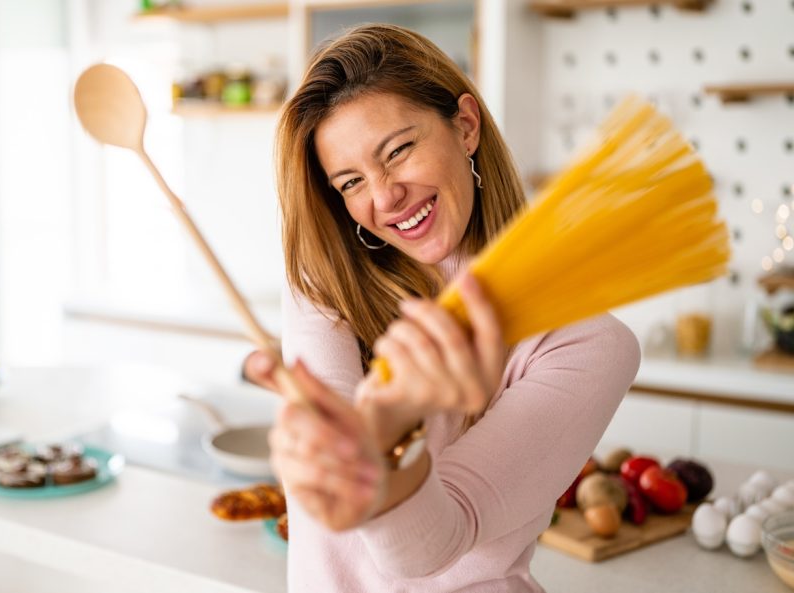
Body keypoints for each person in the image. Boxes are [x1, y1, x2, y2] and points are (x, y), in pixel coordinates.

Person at [244, 24, 641, 592]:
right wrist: (356, 437)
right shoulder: (324, 279)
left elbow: (431, 544)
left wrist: (391, 433)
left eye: (398, 151)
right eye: (351, 181)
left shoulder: (585, 343)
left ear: (466, 126)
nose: (384, 198)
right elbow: (330, 468)